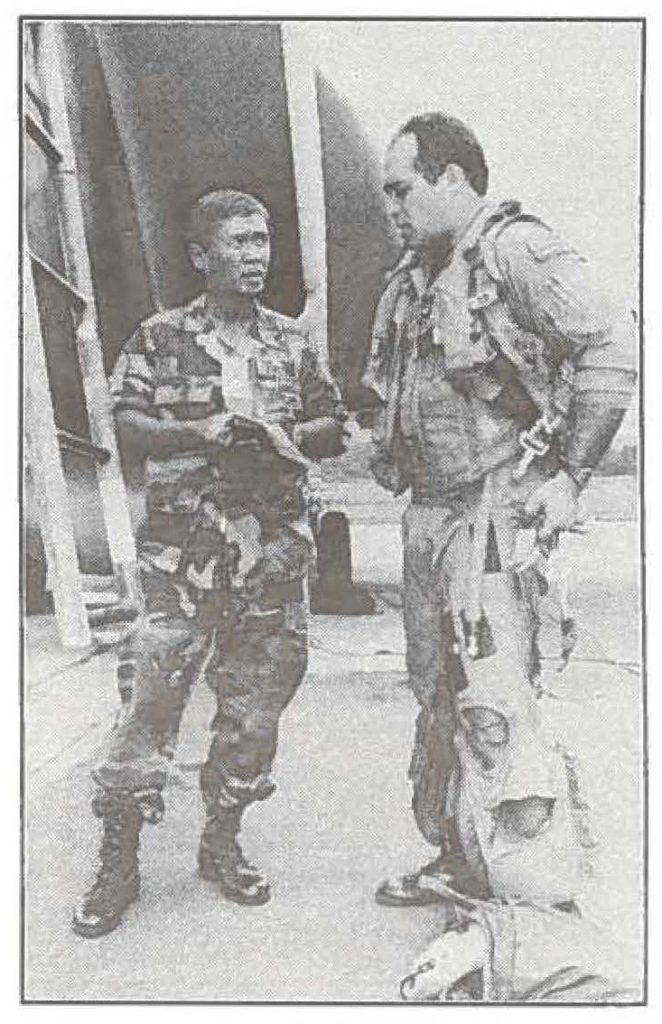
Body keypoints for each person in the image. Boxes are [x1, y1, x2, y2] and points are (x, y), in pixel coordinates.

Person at [362, 112, 636, 906]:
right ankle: (461, 860)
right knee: (439, 695)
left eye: (403, 189)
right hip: (428, 513)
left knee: (495, 703)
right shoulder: (413, 279)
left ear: (453, 179)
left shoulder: (513, 250)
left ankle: (530, 899)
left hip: (492, 511)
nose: (392, 208)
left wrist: (570, 477)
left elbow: (612, 349)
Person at [72, 189, 346, 937]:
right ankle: (118, 859)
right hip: (182, 553)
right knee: (150, 701)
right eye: (240, 243)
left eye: (263, 241)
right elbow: (126, 423)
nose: (257, 255)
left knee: (255, 706)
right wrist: (203, 433)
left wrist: (284, 432)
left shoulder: (291, 342)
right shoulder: (161, 338)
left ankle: (222, 844)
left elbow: (333, 422)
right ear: (201, 255)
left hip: (272, 552)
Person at [398, 682, 636, 1003]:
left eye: (487, 729)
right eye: (472, 728)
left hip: (543, 904)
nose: (477, 737)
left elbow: (527, 821)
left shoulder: (528, 764)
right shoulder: (476, 753)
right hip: (514, 903)